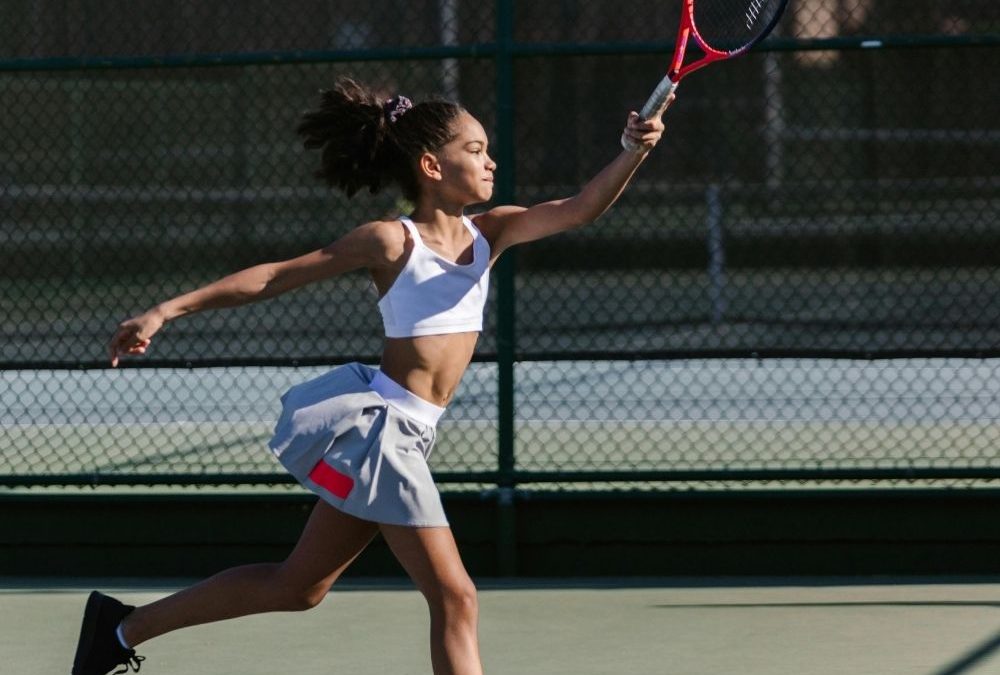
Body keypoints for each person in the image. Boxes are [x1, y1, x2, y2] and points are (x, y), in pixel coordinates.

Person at [71, 76, 670, 675]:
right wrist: (167, 309)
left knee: (298, 587)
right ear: (432, 165)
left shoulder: (494, 232)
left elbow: (580, 207)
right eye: (476, 150)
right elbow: (275, 276)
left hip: (404, 436)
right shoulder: (391, 240)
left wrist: (633, 149)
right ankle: (120, 630)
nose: (492, 162)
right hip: (385, 434)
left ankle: (119, 629)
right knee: (455, 596)